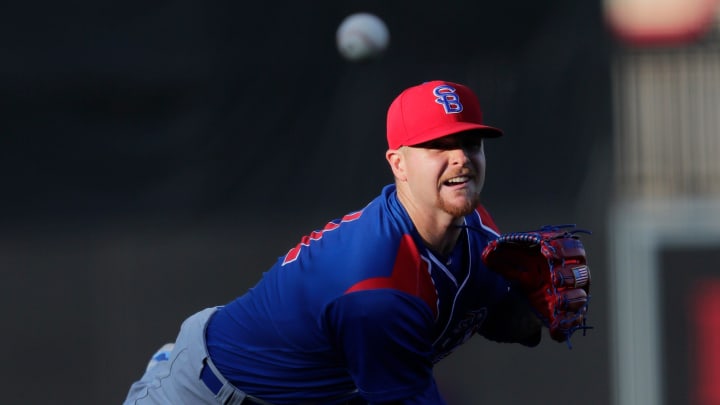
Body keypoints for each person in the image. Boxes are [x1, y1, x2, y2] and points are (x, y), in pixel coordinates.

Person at [123, 80, 559, 405]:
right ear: (399, 164)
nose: (461, 156)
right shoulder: (379, 282)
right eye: (437, 145)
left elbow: (497, 316)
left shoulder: (477, 228)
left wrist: (539, 310)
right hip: (206, 395)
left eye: (470, 142)